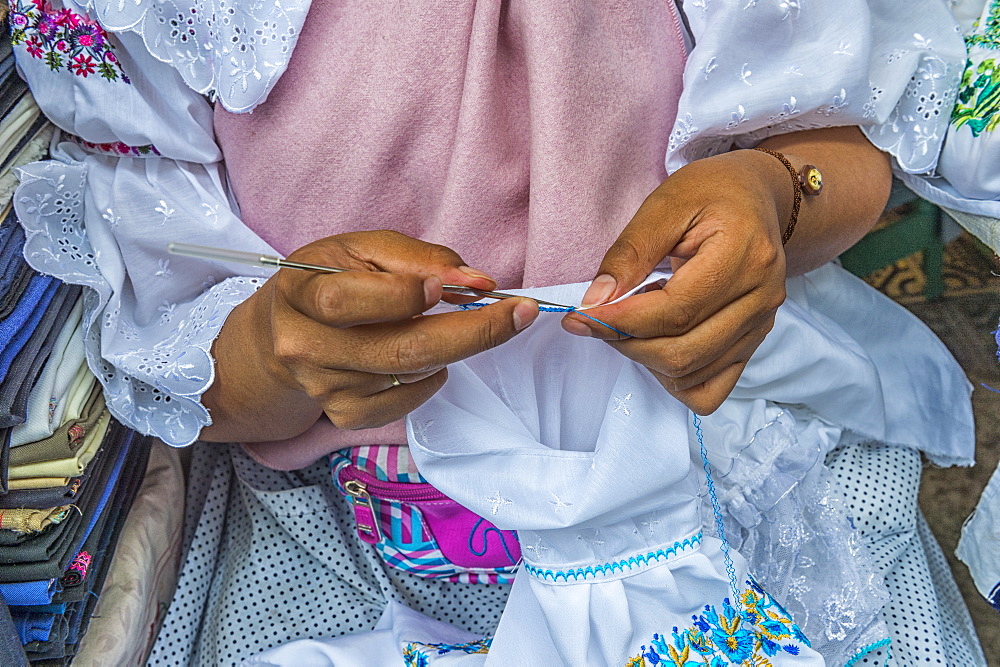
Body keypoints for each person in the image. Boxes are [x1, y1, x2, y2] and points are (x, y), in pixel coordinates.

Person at [9, 0, 987, 664]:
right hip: (347, 546)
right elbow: (166, 314)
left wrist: (773, 193)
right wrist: (275, 349)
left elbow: (842, 146)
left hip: (744, 478)